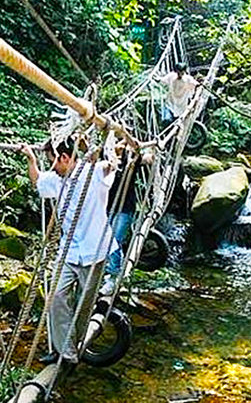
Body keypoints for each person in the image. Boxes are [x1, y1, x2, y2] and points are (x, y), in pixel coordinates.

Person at [20, 135, 117, 365]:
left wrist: (93, 147)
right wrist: (31, 160)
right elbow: (37, 181)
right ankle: (65, 352)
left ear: (65, 158)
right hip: (69, 252)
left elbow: (109, 164)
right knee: (56, 298)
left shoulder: (92, 172)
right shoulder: (57, 179)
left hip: (95, 251)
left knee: (84, 304)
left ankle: (76, 345)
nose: (52, 167)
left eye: (54, 161)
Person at [103, 144, 155, 289]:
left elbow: (149, 159)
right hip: (106, 208)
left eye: (121, 142)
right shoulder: (106, 159)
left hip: (125, 209)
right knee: (104, 240)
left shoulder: (131, 160)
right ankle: (106, 273)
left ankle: (113, 277)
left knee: (114, 240)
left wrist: (152, 148)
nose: (118, 145)